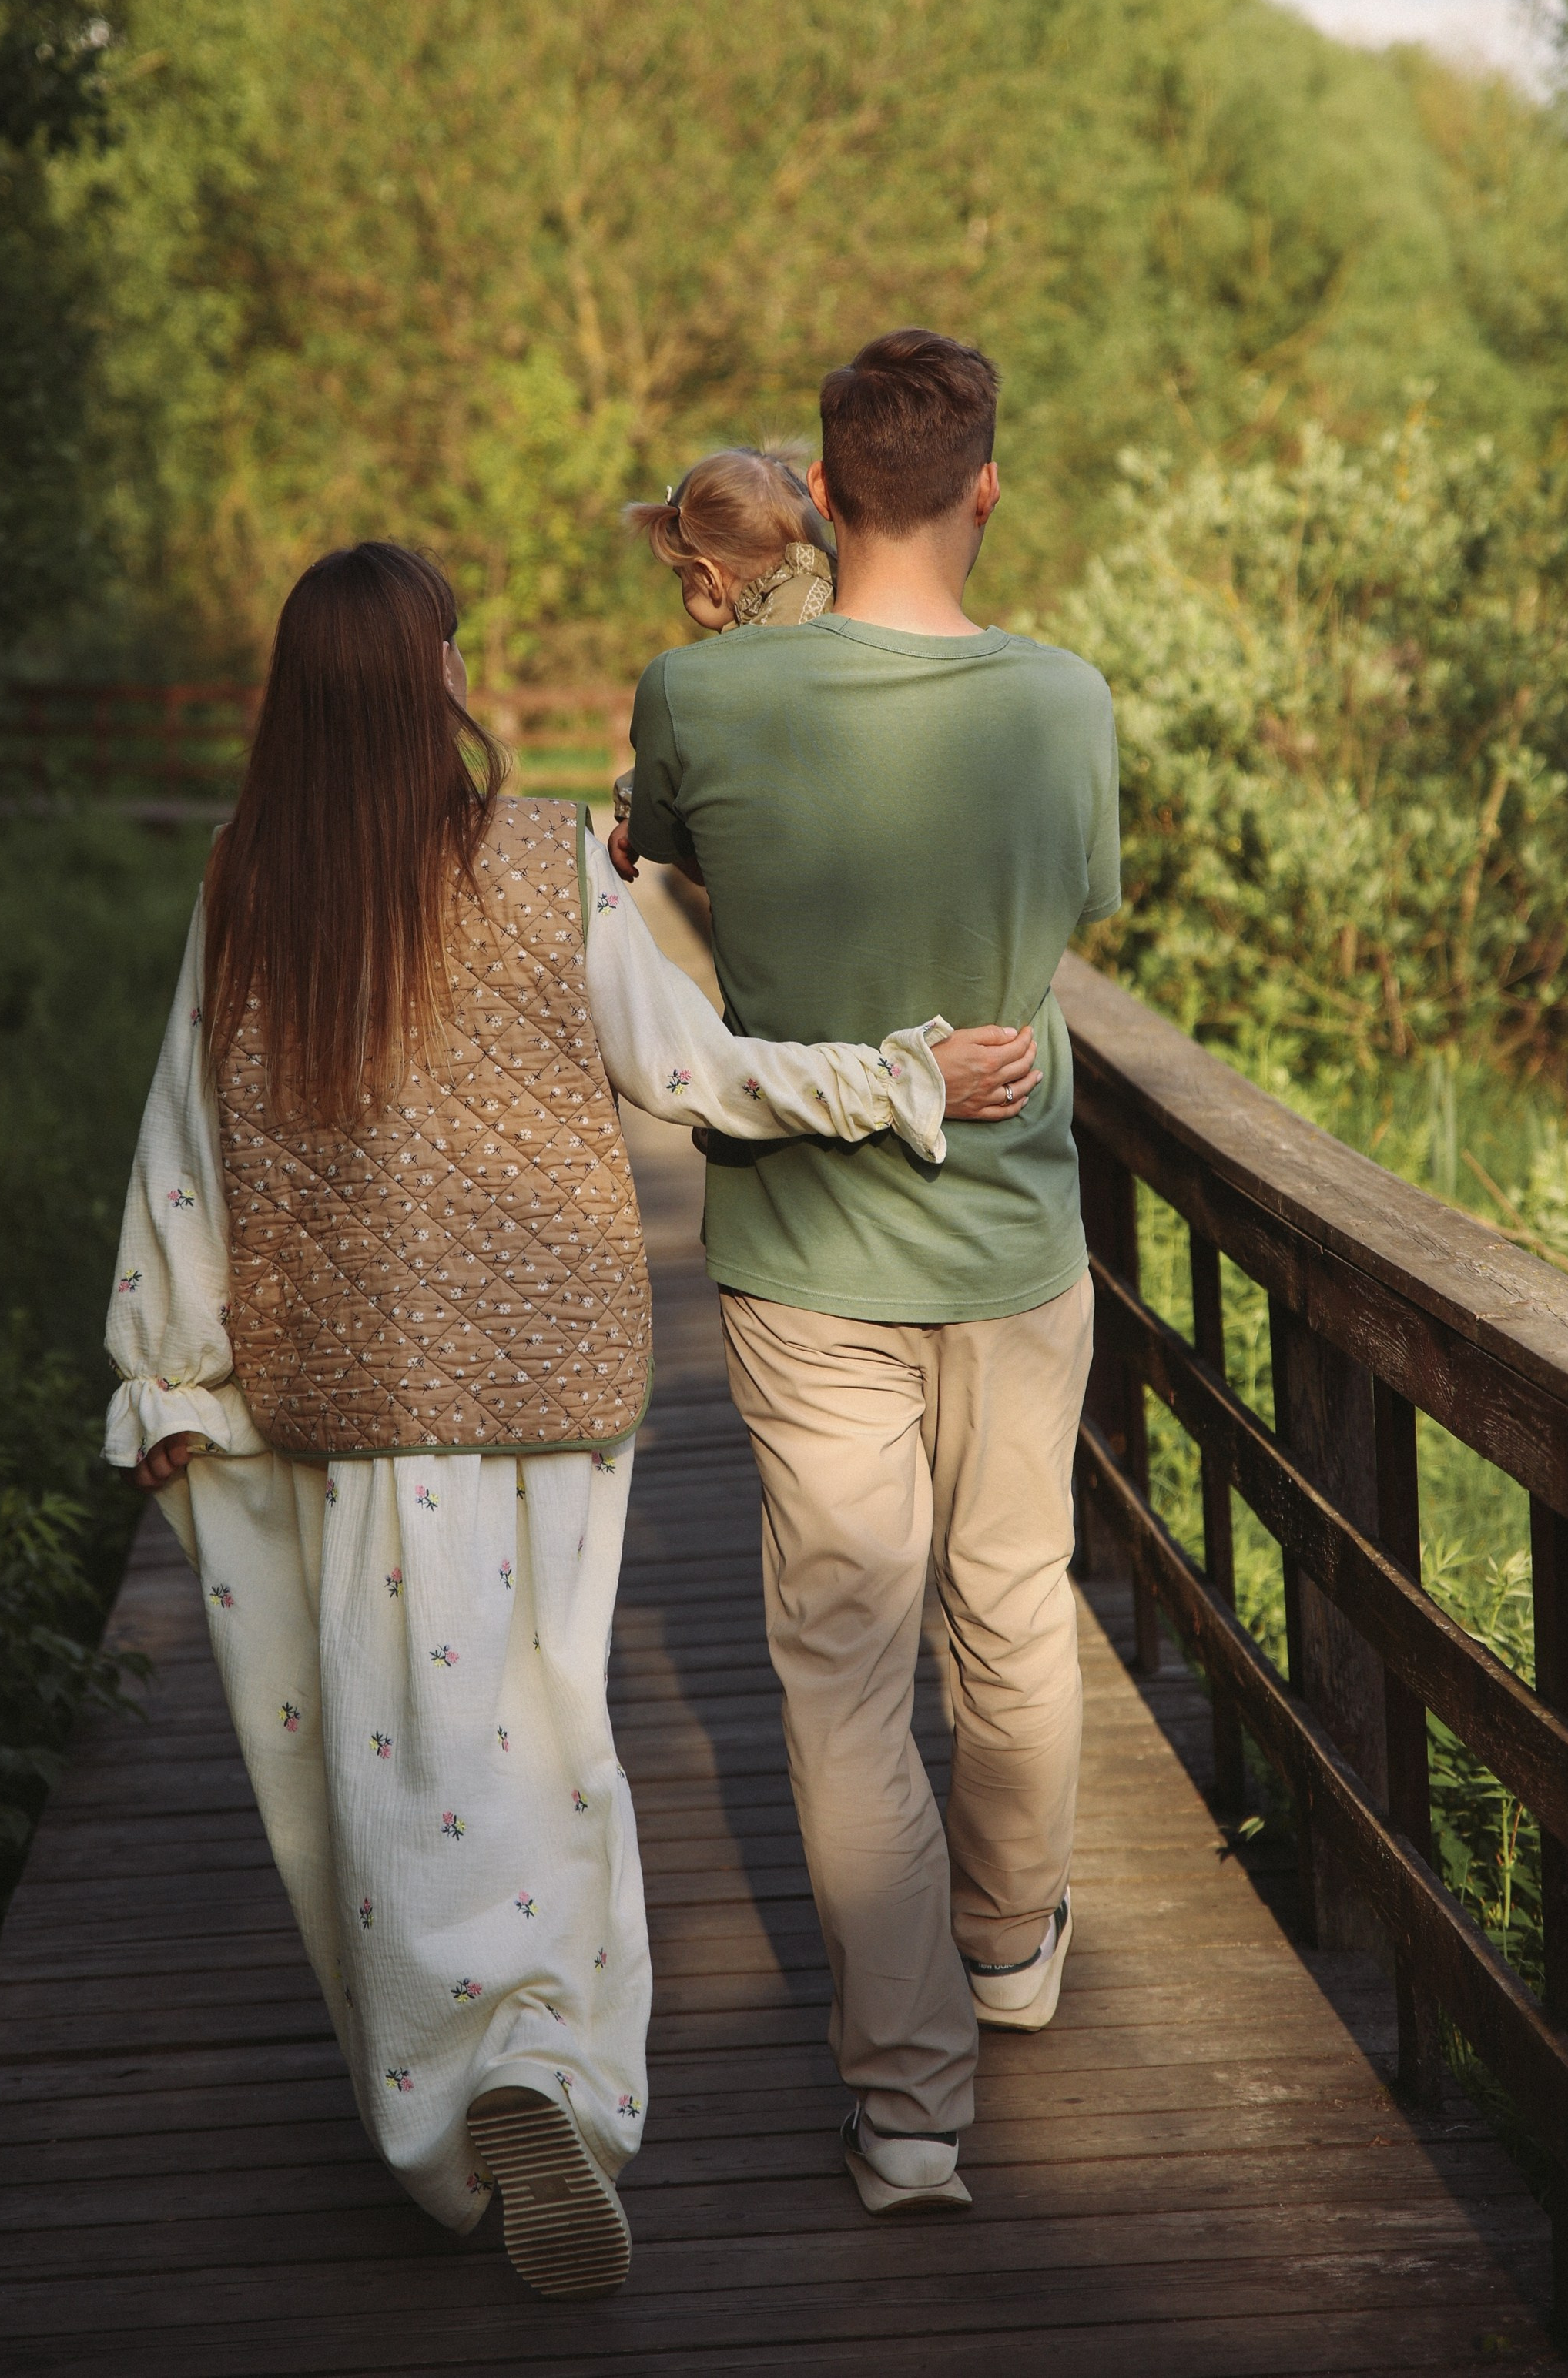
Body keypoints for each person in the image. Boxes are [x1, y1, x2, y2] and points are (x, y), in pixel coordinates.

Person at [102, 540, 1039, 2298]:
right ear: (427, 684)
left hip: (346, 1394)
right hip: (552, 1379)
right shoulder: (543, 860)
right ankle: (555, 2068)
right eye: (452, 651)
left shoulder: (245, 879)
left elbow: (184, 1138)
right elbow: (695, 1072)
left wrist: (162, 1368)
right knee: (544, 1731)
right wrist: (904, 1074)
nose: (469, 674)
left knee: (386, 1746)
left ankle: (465, 2096)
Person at [624, 330, 1121, 2219]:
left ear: (820, 496)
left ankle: (909, 2112)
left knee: (843, 1680)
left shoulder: (696, 691)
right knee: (1010, 1608)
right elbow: (1058, 918)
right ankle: (1010, 1943)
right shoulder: (1061, 700)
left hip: (802, 1255)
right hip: (1009, 1243)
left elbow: (666, 875)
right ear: (985, 489)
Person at [608, 447, 836, 850]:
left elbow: (703, 726)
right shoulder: (823, 588)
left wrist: (633, 803)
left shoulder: (780, 630)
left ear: (708, 575)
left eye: (681, 577)